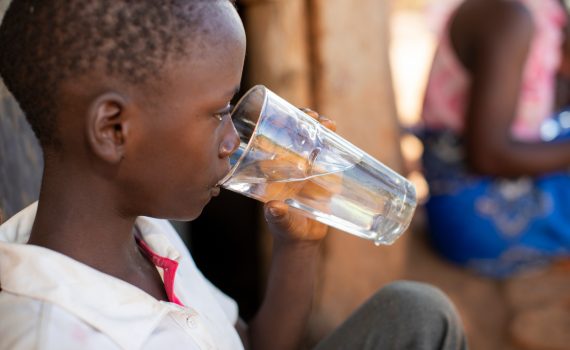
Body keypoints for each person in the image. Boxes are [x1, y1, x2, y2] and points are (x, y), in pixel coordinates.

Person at [0, 0, 467, 349]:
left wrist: (297, 244)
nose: (234, 140)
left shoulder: (145, 234)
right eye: (220, 112)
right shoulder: (56, 335)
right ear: (114, 129)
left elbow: (250, 343)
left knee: (419, 315)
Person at [420, 0, 570, 278]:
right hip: (474, 207)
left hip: (508, 175)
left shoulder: (547, 13)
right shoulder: (508, 17)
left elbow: (550, 99)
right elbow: (488, 156)